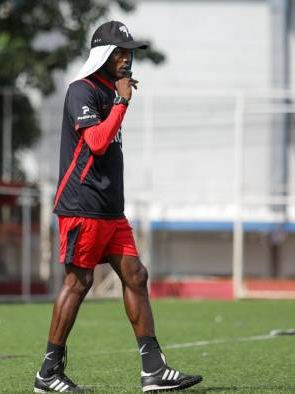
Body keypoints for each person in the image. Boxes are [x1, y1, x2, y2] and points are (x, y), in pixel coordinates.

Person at [34, 21, 202, 393]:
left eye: (130, 53)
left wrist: (119, 98)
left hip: (110, 210)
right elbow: (95, 141)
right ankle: (48, 373)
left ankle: (153, 371)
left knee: (136, 276)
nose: (127, 59)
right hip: (82, 205)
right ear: (103, 55)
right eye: (120, 52)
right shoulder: (82, 90)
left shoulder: (110, 92)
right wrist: (122, 102)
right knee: (79, 282)